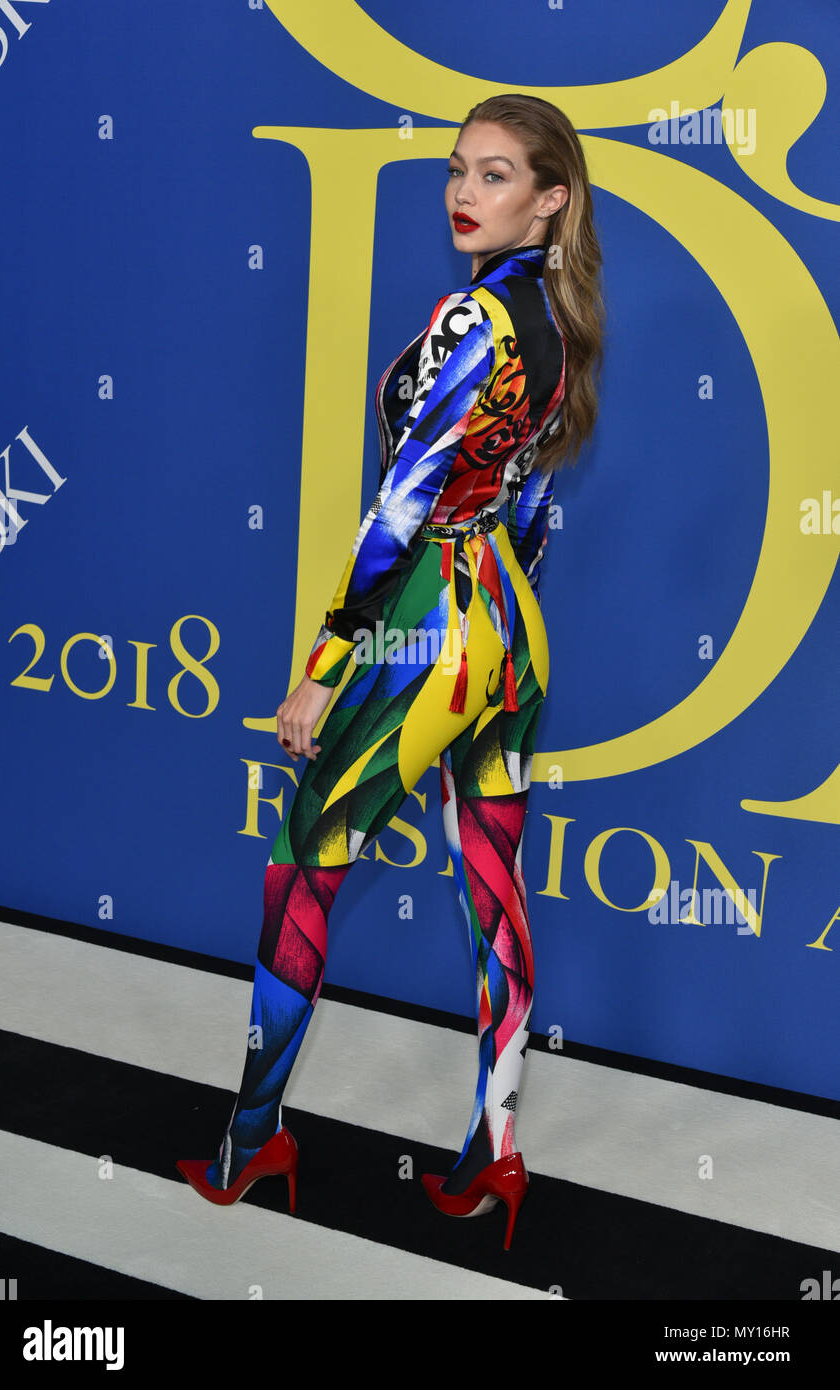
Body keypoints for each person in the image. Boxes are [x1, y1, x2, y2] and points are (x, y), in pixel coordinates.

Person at [177, 93, 604, 1252]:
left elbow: (405, 503)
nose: (467, 192)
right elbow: (535, 500)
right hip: (510, 626)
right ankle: (498, 1150)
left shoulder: (480, 319)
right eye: (459, 170)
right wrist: (499, 631)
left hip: (431, 621)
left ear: (552, 195)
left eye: (499, 175)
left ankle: (252, 1140)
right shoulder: (561, 320)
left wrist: (327, 661)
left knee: (304, 860)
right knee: (494, 880)